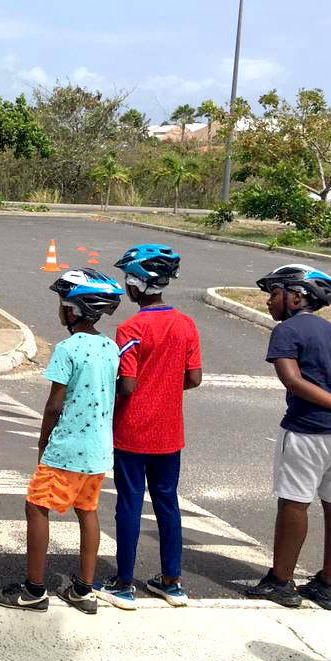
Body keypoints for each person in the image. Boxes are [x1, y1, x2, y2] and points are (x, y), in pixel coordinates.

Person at [0, 269, 122, 615]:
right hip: (98, 451)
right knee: (88, 511)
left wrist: (42, 440)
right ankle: (83, 589)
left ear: (72, 310)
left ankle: (34, 590)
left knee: (36, 506)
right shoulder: (111, 348)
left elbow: (54, 404)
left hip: (66, 449)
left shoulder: (67, 349)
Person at [246, 265, 331, 610]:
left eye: (274, 294)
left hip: (308, 429)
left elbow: (293, 381)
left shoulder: (287, 330)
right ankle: (328, 585)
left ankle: (281, 581)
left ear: (297, 296)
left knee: (293, 501)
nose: (270, 302)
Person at [95, 244, 202, 610]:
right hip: (170, 431)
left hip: (132, 430)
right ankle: (172, 581)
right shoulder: (186, 324)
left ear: (136, 284)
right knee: (167, 502)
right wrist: (167, 386)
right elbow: (194, 377)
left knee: (128, 503)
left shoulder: (131, 327)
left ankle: (124, 582)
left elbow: (126, 384)